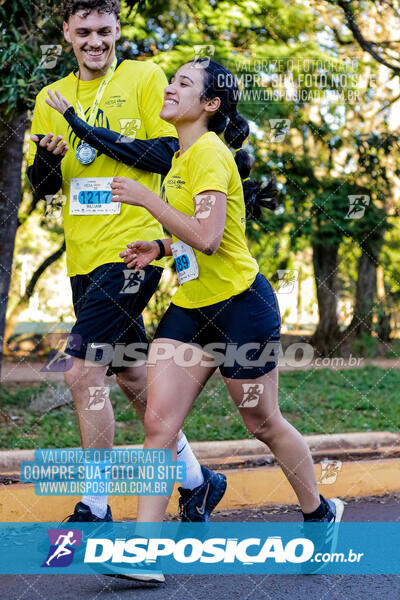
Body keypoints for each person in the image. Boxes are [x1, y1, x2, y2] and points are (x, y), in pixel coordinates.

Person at [108, 57, 345, 572]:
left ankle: (319, 512)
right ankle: (143, 551)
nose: (171, 88)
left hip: (242, 309)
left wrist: (149, 201)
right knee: (158, 424)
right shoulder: (182, 156)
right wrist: (160, 246)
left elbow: (212, 240)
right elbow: (194, 233)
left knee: (262, 421)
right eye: (172, 80)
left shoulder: (211, 154)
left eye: (184, 84)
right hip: (192, 310)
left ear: (210, 105)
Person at [26, 0, 226, 552]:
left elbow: (164, 153)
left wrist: (82, 128)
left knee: (80, 372)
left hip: (132, 254)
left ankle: (95, 503)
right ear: (67, 32)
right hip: (82, 260)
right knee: (133, 380)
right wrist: (49, 155)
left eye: (104, 31)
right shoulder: (51, 98)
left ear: (118, 31)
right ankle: (198, 481)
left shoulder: (142, 77)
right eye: (84, 31)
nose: (95, 41)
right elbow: (43, 186)